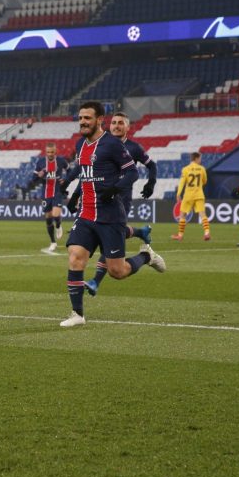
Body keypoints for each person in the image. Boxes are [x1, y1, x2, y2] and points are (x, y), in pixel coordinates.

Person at [61, 101, 166, 327]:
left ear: (99, 120)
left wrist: (115, 189)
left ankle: (147, 256)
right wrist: (74, 195)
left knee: (117, 271)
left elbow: (132, 173)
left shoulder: (112, 144)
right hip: (86, 214)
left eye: (87, 118)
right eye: (80, 118)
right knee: (75, 257)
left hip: (111, 216)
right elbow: (85, 174)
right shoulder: (80, 145)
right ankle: (77, 314)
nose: (83, 122)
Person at [79, 111, 157, 296]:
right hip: (99, 200)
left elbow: (151, 165)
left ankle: (96, 280)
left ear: (128, 127)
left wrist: (150, 183)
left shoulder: (134, 148)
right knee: (114, 233)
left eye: (120, 123)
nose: (116, 126)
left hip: (121, 201)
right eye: (113, 122)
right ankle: (141, 232)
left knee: (109, 238)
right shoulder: (101, 145)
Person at [32, 142, 69, 254]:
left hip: (57, 192)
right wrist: (39, 175)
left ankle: (58, 225)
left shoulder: (61, 161)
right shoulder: (41, 162)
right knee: (48, 218)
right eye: (48, 152)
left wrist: (66, 180)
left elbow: (70, 171)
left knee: (56, 214)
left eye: (52, 152)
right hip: (46, 194)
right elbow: (34, 179)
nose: (50, 154)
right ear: (45, 152)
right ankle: (53, 242)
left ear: (55, 151)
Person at [171, 152, 210, 241]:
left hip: (188, 195)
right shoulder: (202, 169)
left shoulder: (186, 169)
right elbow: (205, 181)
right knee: (202, 214)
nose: (201, 160)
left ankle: (180, 235)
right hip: (199, 194)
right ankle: (207, 233)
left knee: (182, 215)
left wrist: (178, 193)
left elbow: (182, 182)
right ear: (196, 158)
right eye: (200, 158)